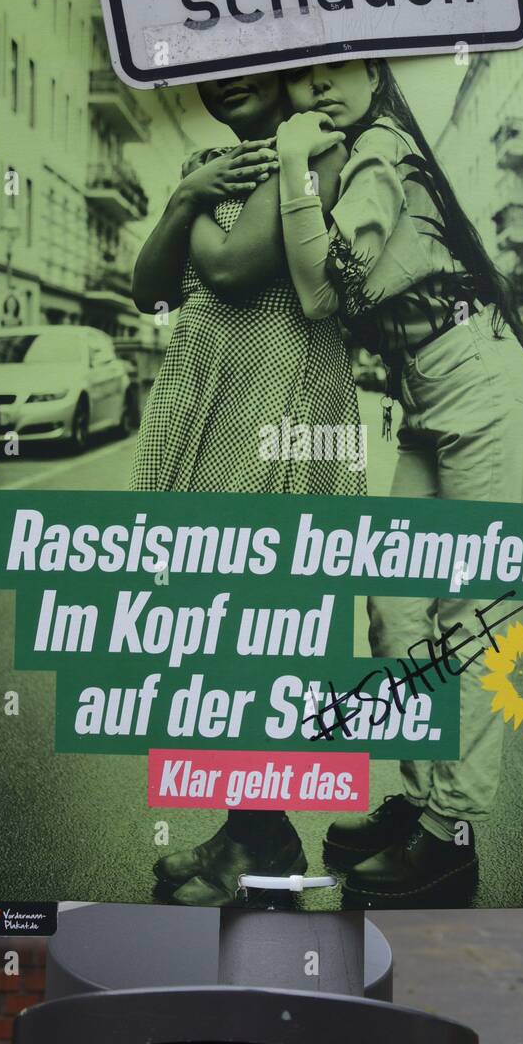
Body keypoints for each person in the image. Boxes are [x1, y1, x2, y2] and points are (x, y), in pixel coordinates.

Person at [274, 59, 523, 907]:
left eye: (336, 69)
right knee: (392, 604)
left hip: (480, 385)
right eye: (300, 76)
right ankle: (425, 801)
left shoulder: (380, 149)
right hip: (426, 396)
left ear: (373, 71)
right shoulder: (356, 153)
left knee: (468, 622)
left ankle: (452, 835)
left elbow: (327, 292)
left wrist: (287, 165)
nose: (318, 88)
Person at [131, 71, 364, 907]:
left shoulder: (317, 149)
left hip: (279, 398)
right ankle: (249, 832)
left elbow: (230, 271)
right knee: (210, 625)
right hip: (207, 393)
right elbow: (148, 289)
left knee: (258, 627)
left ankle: (265, 850)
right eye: (209, 70)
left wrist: (190, 205)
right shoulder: (206, 163)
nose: (224, 81)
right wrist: (184, 196)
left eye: (245, 65)